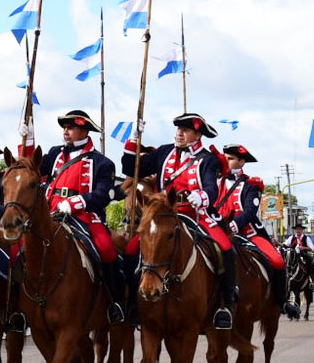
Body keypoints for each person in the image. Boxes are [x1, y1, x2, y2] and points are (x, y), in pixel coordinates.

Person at [122, 113, 237, 330]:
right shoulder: (164, 152)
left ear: (197, 134)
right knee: (130, 250)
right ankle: (132, 304)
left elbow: (211, 188)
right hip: (164, 213)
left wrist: (201, 196)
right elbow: (130, 167)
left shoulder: (207, 159)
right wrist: (135, 138)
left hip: (195, 213)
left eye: (185, 130)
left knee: (225, 247)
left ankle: (226, 305)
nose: (180, 133)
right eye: (178, 129)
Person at [40, 110, 125, 325]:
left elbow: (103, 194)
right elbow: (31, 167)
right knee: (22, 248)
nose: (65, 132)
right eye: (64, 128)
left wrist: (75, 202)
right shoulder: (53, 154)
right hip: (52, 214)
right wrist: (29, 139)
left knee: (106, 249)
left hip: (85, 216)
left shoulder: (102, 163)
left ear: (84, 130)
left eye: (70, 128)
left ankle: (115, 303)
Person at [217, 145, 298, 318]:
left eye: (230, 158)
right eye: (225, 157)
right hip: (218, 230)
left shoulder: (250, 185)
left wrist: (234, 225)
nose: (226, 161)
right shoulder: (215, 181)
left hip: (248, 233)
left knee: (277, 261)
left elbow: (249, 212)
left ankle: (281, 301)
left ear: (242, 162)